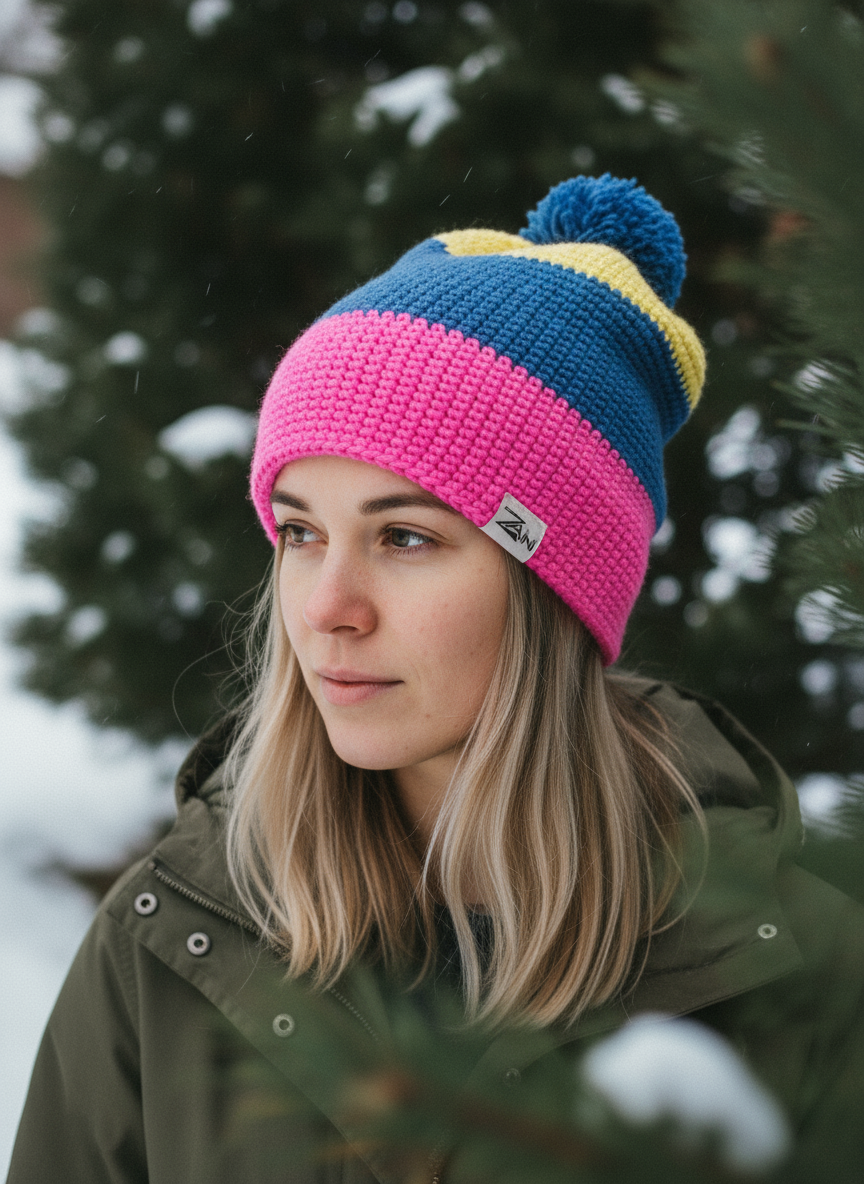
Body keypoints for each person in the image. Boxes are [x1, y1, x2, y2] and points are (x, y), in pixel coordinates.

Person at [7, 175, 864, 1184]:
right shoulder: (174, 940)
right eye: (299, 530)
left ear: (553, 584)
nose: (328, 604)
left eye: (405, 535)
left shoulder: (803, 980)